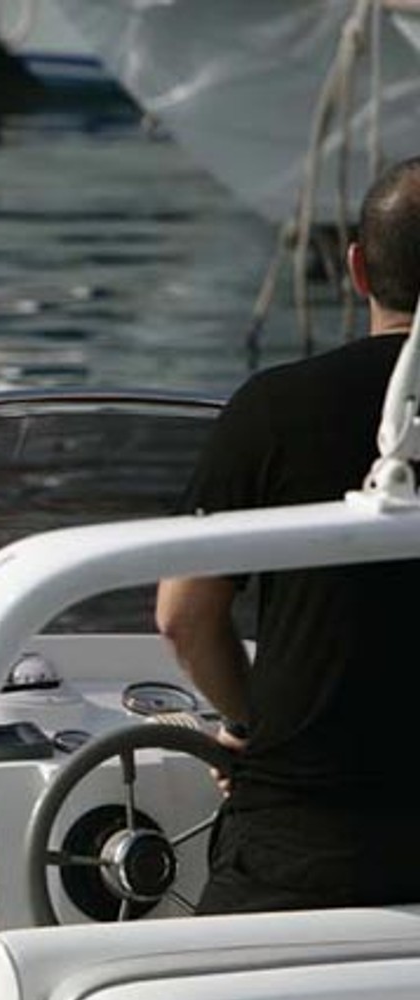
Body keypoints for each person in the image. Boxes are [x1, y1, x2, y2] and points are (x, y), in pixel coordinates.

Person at [156, 155, 420, 914]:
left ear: (358, 269)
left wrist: (250, 725)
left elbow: (183, 617)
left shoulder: (274, 410)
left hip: (305, 846)